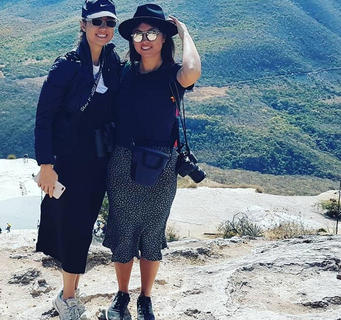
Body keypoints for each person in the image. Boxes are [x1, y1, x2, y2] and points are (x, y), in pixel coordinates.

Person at [103, 4, 201, 320]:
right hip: (122, 162)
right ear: (132, 39)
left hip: (161, 164)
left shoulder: (173, 74)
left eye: (152, 32)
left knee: (152, 233)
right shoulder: (125, 73)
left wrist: (184, 31)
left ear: (163, 38)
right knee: (124, 230)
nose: (144, 39)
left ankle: (145, 297)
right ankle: (121, 296)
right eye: (138, 33)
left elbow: (193, 71)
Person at [34, 1, 120, 319]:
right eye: (96, 21)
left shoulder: (113, 64)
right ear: (82, 25)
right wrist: (46, 164)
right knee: (73, 229)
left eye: (109, 21)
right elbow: (44, 117)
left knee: (82, 229)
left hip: (99, 161)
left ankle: (69, 293)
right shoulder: (67, 66)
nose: (103, 27)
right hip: (69, 163)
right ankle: (67, 298)